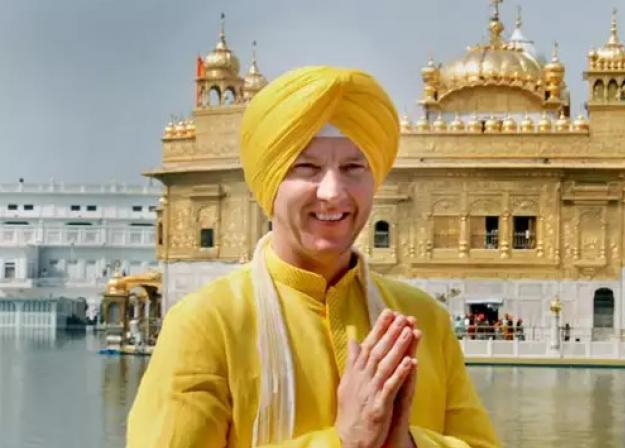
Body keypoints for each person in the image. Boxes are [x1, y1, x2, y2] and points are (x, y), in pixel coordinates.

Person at [127, 66, 498, 447]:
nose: (333, 192)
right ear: (269, 182)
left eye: (354, 167)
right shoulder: (208, 325)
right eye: (307, 167)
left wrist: (408, 444)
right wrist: (345, 441)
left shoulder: (422, 322)